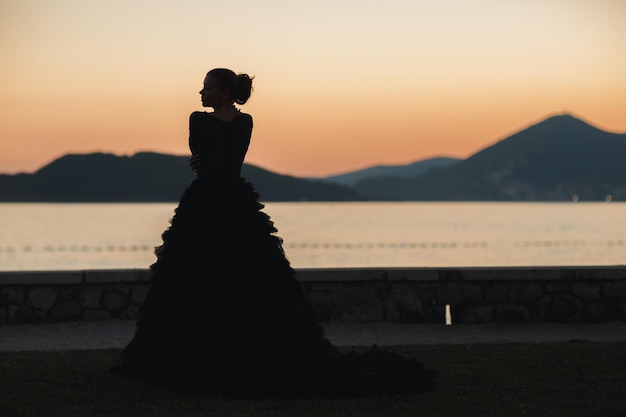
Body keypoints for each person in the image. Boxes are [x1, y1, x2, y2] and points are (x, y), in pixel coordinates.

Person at [111, 68, 436, 397]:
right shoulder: (243, 122)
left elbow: (203, 158)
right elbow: (214, 158)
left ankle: (206, 347)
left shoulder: (201, 121)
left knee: (205, 274)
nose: (200, 93)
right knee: (239, 274)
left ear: (223, 94)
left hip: (209, 204)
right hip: (232, 204)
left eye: (207, 88)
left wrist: (201, 161)